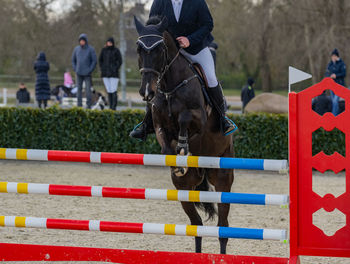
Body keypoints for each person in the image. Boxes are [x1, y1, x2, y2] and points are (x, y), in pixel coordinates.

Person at [130, 0, 237, 140]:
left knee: (210, 77)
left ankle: (223, 118)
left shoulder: (197, 2)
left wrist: (190, 40)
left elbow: (208, 24)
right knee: (155, 80)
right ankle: (147, 123)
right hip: (169, 51)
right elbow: (152, 26)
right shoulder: (159, 3)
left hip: (196, 48)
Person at [72, 33, 97, 109]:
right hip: (79, 73)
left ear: (86, 41)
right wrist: (75, 69)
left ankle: (88, 105)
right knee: (78, 90)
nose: (81, 42)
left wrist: (90, 69)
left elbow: (94, 61)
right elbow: (73, 60)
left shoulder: (91, 49)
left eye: (83, 41)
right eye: (80, 41)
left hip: (87, 73)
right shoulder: (76, 49)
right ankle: (79, 105)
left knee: (88, 90)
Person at [99, 37, 123, 110]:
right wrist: (103, 68)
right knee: (109, 90)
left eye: (110, 42)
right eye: (108, 42)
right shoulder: (103, 50)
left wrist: (115, 68)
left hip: (114, 74)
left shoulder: (116, 50)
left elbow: (120, 61)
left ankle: (113, 106)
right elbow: (100, 60)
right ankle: (110, 106)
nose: (109, 44)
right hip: (105, 74)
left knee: (113, 90)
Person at [325, 48, 346, 116]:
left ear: (337, 56)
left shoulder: (342, 64)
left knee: (335, 101)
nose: (333, 58)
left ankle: (334, 117)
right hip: (332, 85)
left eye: (334, 56)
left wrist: (336, 75)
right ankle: (335, 115)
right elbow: (327, 73)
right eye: (332, 56)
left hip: (339, 85)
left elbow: (344, 74)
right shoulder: (330, 64)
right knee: (332, 101)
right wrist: (329, 76)